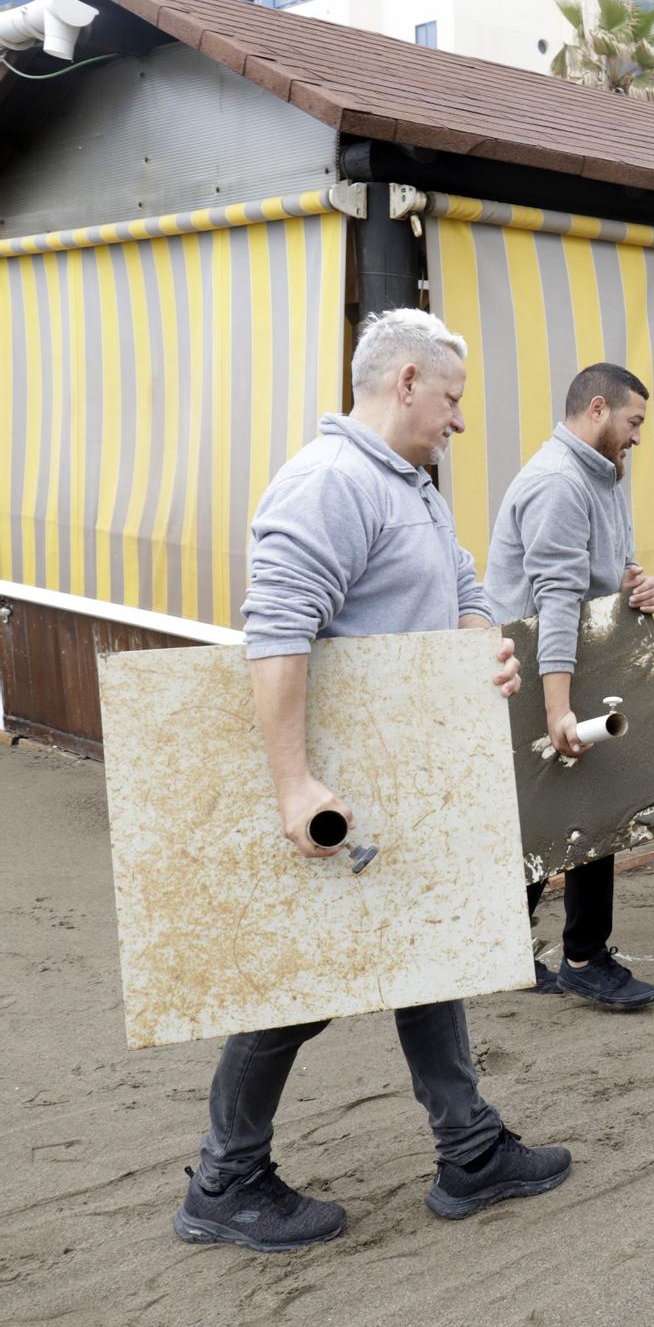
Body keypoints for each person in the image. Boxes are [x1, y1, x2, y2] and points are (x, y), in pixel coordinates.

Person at [172, 309, 571, 1254]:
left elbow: (463, 583)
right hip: (338, 792)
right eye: (453, 398)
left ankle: (469, 1151)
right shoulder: (330, 483)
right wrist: (295, 785)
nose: (460, 419)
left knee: (425, 953)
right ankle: (225, 1178)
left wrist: (480, 643)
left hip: (405, 779)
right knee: (300, 986)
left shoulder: (412, 485)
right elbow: (275, 635)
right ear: (404, 381)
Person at [485, 363, 654, 1011]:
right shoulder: (561, 483)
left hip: (574, 662)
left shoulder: (604, 476)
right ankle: (583, 957)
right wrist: (559, 709)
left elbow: (611, 568)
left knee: (555, 810)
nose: (638, 436)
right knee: (586, 801)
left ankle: (499, 945)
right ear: (597, 409)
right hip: (535, 667)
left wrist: (636, 584)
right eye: (633, 422)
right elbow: (556, 601)